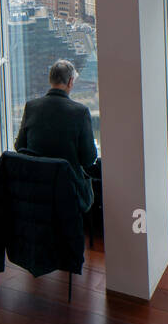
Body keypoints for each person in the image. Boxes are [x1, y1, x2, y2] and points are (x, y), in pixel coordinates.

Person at [14, 60, 102, 230]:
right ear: (70, 82)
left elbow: (20, 147)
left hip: (36, 186)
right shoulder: (80, 112)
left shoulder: (31, 107)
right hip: (69, 190)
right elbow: (89, 159)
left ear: (50, 80)